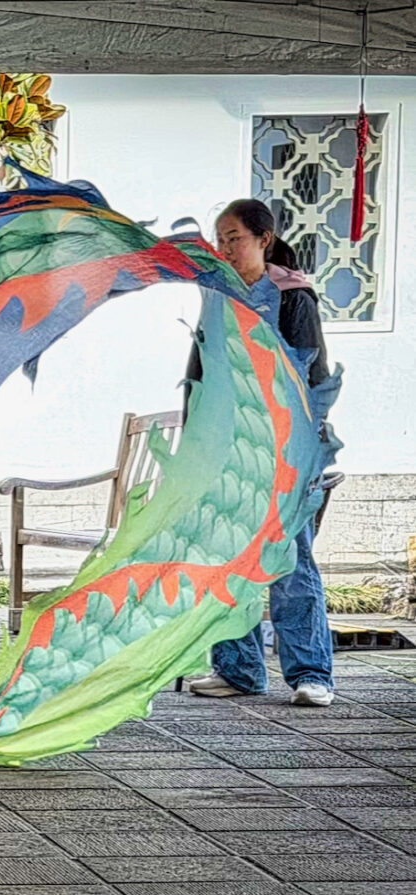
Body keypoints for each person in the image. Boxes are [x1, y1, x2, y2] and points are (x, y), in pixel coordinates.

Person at [187, 199, 334, 707]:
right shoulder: (219, 295)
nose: (225, 248)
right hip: (230, 446)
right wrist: (195, 439)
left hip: (287, 448)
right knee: (230, 556)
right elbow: (200, 371)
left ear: (263, 240)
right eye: (220, 239)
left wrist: (301, 447)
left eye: (234, 238)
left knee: (291, 561)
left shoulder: (292, 297)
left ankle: (312, 673)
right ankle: (239, 670)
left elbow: (310, 377)